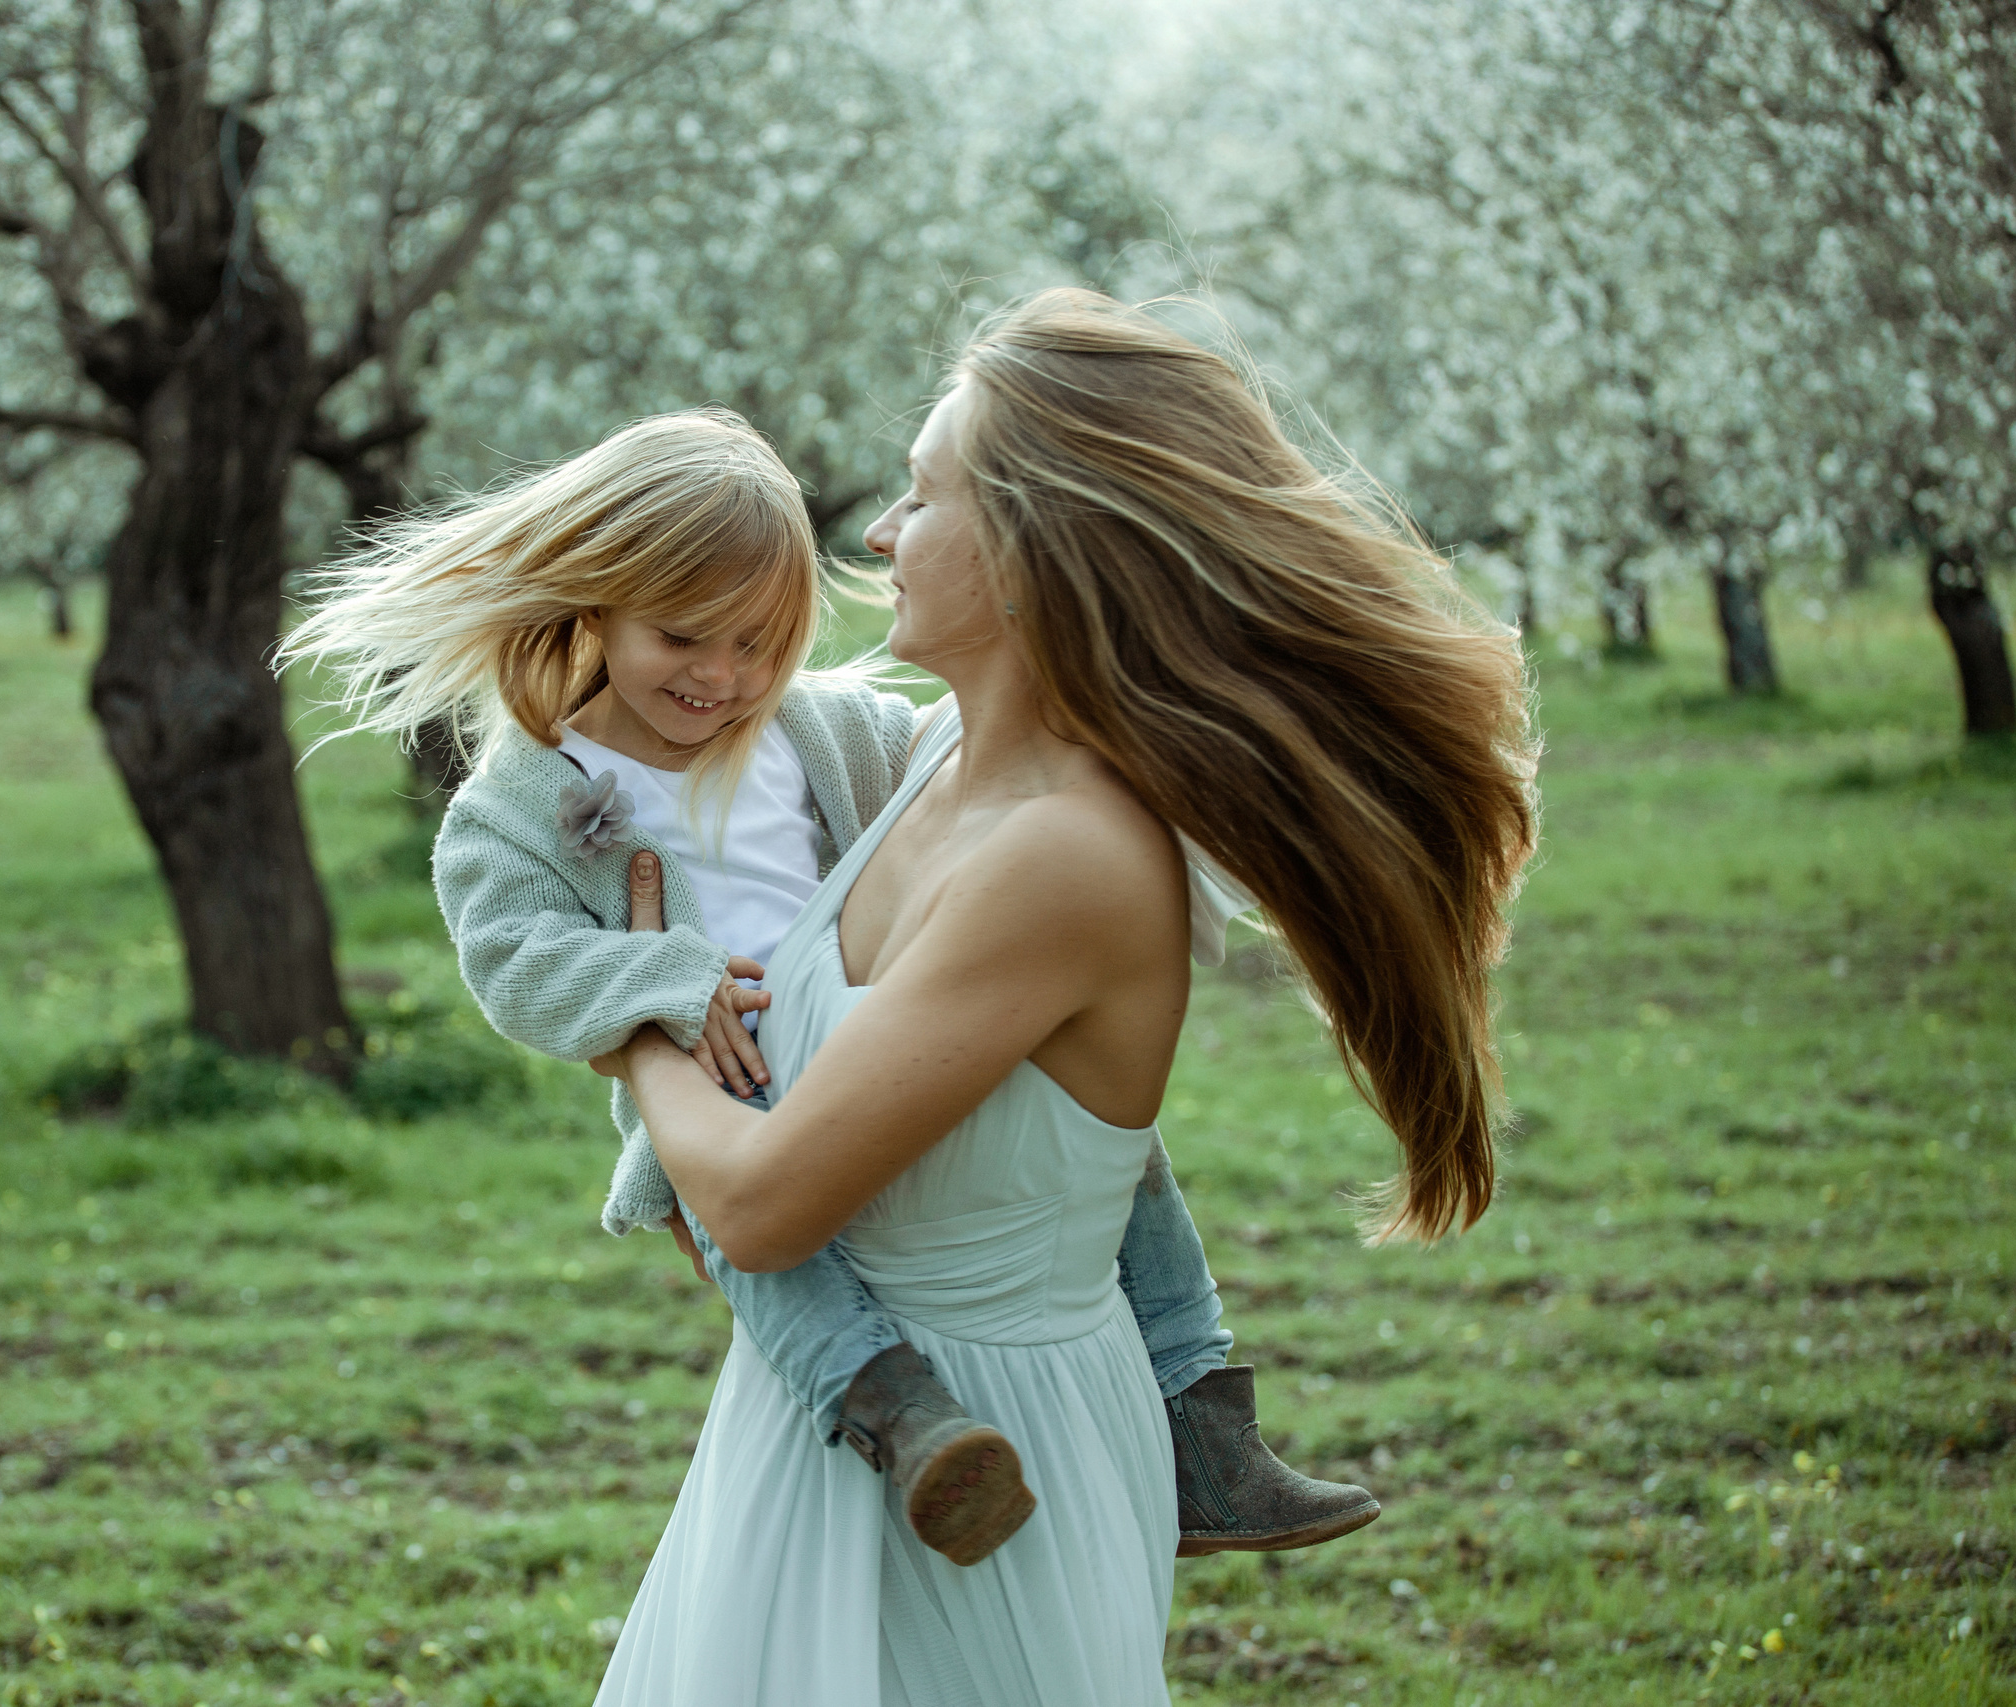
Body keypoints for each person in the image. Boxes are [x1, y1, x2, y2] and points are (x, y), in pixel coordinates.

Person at [587, 293, 1539, 1706]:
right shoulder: (925, 754)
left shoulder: (1070, 856)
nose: (879, 534)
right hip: (837, 1427)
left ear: (1035, 548)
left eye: (921, 494)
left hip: (993, 1460)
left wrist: (637, 1012)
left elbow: (764, 1203)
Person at [279, 406, 1373, 1572]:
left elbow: (959, 766)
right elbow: (511, 959)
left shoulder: (820, 729)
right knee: (764, 1258)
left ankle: (1204, 1420)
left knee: (1106, 1147)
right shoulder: (524, 803)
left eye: (759, 643)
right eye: (683, 639)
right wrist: (655, 980)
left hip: (882, 1031)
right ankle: (903, 1422)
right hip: (727, 1091)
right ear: (594, 603)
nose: (721, 678)